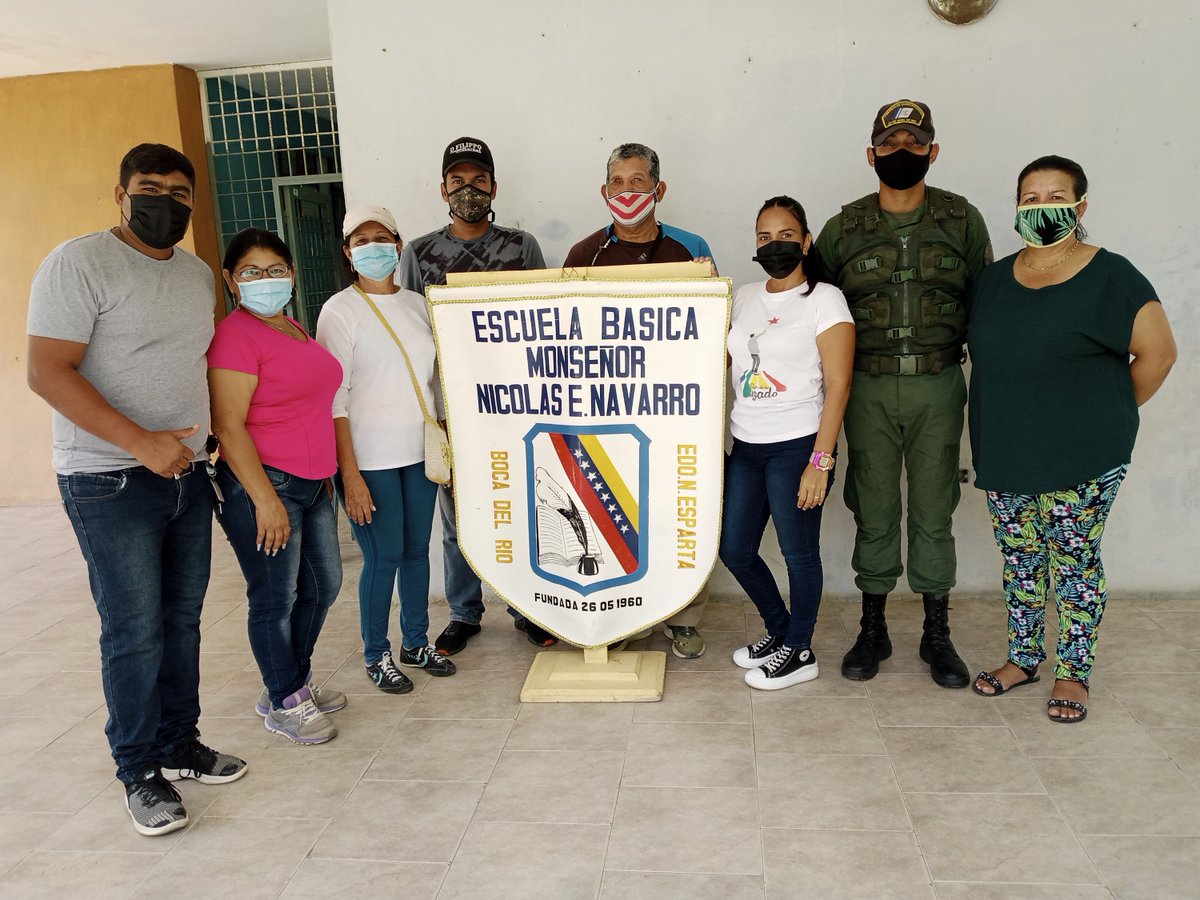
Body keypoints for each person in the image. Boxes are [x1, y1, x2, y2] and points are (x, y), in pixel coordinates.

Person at [26, 143, 247, 836]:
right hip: (109, 480)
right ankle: (139, 769)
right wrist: (140, 443)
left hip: (185, 473)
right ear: (120, 193)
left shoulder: (193, 274)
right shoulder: (78, 263)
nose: (165, 202)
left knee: (182, 622)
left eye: (180, 192)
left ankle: (179, 744)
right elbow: (48, 372)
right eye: (149, 187)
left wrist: (197, 443)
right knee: (135, 631)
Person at [967, 155, 1175, 722]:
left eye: (1055, 196)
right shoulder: (992, 280)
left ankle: (1072, 673)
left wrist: (1102, 413)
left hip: (1083, 453)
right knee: (1021, 561)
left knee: (1075, 564)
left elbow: (1158, 354)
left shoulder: (1112, 275)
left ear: (1080, 207)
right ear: (1016, 207)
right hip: (1008, 449)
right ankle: (1023, 657)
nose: (1041, 208)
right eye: (1030, 199)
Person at [816, 100, 992, 687]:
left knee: (935, 508)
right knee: (873, 504)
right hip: (864, 386)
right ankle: (874, 628)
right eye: (889, 145)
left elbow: (988, 306)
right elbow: (815, 308)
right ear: (871, 154)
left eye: (914, 144)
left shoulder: (962, 220)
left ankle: (936, 633)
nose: (901, 153)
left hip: (940, 384)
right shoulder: (844, 227)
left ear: (933, 151)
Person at [562, 141, 715, 659]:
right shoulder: (585, 255)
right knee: (616, 513)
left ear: (659, 188)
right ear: (605, 191)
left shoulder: (691, 250)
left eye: (639, 180)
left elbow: (711, 327)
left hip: (676, 412)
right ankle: (623, 613)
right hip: (608, 414)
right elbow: (563, 337)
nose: (629, 191)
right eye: (619, 183)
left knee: (680, 512)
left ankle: (684, 617)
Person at [400, 137, 551, 655]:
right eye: (458, 180)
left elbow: (542, 317)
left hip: (515, 402)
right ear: (442, 188)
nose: (469, 189)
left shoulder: (521, 245)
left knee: (523, 505)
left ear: (494, 186)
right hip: (450, 405)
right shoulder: (418, 252)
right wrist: (426, 412)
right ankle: (465, 613)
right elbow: (411, 329)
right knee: (458, 515)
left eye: (479, 179)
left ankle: (525, 606)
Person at [208, 228, 346, 745]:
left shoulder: (290, 326)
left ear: (291, 274)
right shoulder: (235, 335)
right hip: (265, 486)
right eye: (251, 272)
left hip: (312, 483)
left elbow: (309, 402)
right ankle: (286, 698)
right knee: (274, 597)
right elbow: (228, 423)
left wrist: (328, 470)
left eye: (275, 270)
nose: (265, 280)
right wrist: (265, 499)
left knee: (323, 586)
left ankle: (290, 681)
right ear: (231, 279)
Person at [318, 205, 456, 693]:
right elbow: (334, 399)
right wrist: (348, 475)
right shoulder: (340, 310)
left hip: (418, 453)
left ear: (399, 247)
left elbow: (434, 384)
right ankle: (376, 654)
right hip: (369, 460)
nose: (373, 247)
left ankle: (415, 643)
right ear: (348, 253)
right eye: (361, 240)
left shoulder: (419, 304)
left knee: (417, 552)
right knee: (384, 557)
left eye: (382, 237)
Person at [722, 197, 854, 689]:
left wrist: (821, 460)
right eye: (763, 237)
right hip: (747, 445)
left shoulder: (825, 300)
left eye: (784, 235)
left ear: (805, 239)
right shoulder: (744, 297)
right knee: (734, 550)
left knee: (799, 554)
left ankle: (801, 651)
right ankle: (780, 632)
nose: (773, 244)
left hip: (797, 445)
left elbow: (839, 384)